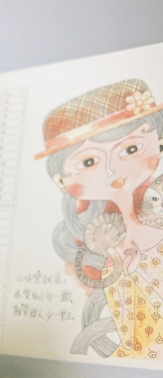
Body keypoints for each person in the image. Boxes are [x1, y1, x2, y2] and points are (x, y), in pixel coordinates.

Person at [35, 80, 163, 360]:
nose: (111, 171)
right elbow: (139, 335)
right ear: (62, 181)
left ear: (159, 141)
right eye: (88, 162)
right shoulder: (113, 261)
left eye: (131, 149)